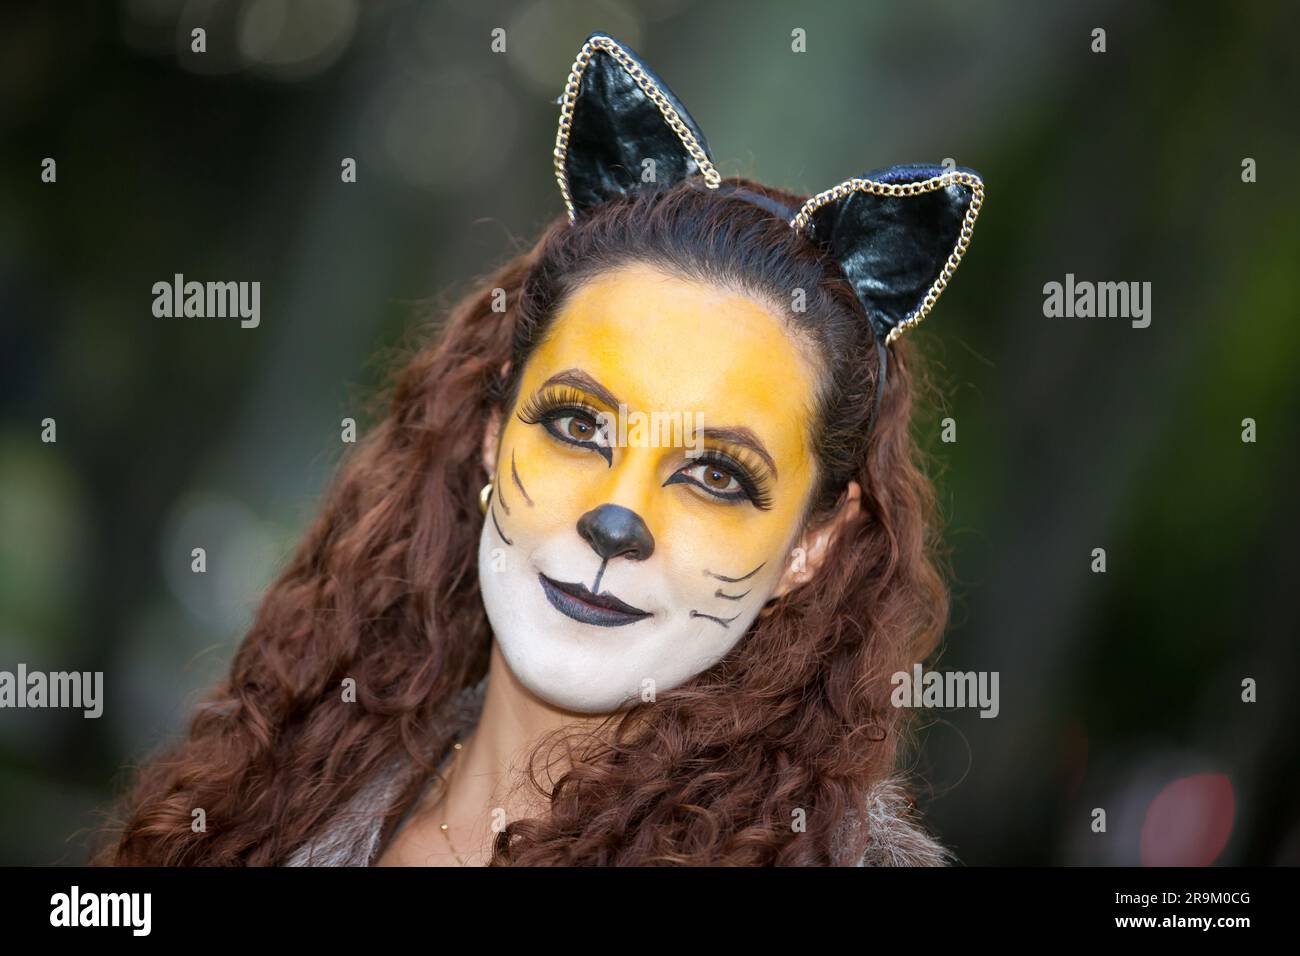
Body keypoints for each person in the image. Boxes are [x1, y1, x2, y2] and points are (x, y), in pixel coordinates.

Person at [92, 32, 983, 866]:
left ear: (810, 545)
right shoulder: (272, 790)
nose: (617, 519)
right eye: (577, 425)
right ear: (491, 432)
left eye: (716, 474)